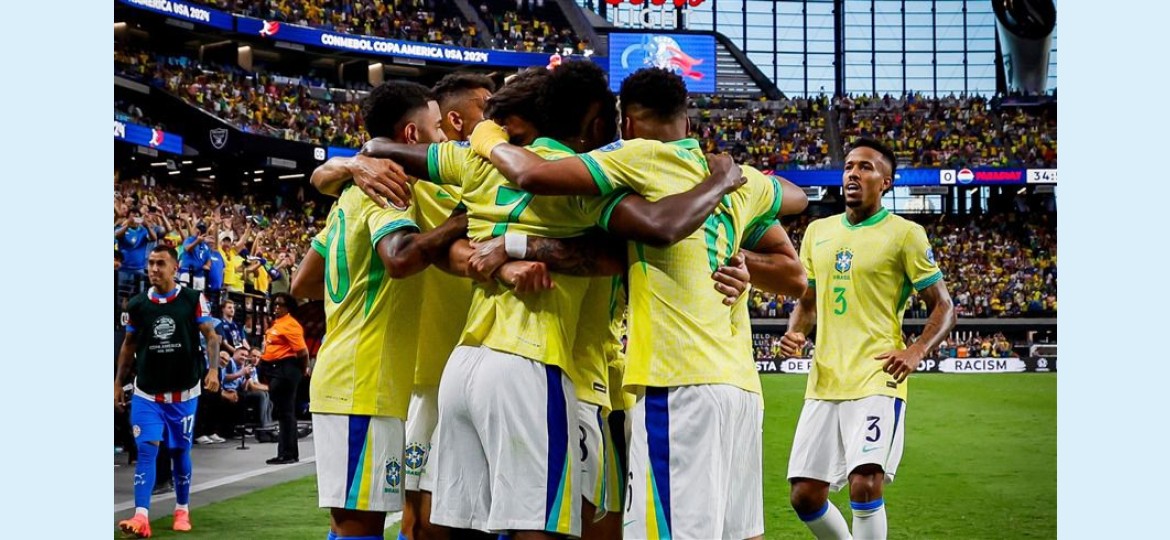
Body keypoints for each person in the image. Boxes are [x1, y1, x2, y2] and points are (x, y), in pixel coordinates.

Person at [358, 63, 754, 540]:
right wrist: (722, 207)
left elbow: (380, 147)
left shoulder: (475, 162)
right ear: (596, 124)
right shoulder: (583, 187)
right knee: (542, 528)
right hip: (534, 363)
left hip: (462, 368)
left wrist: (353, 163)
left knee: (461, 527)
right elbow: (649, 234)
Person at [467, 66, 808, 539]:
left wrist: (484, 133)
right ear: (687, 121)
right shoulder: (738, 178)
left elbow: (531, 173)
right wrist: (729, 240)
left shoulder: (636, 156)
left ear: (626, 124)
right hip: (740, 389)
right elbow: (797, 199)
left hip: (678, 380)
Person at [293, 80, 475, 540]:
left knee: (359, 523)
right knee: (358, 527)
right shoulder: (387, 191)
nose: (442, 137)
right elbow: (399, 258)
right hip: (361, 380)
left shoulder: (352, 192)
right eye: (437, 127)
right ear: (412, 135)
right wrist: (460, 221)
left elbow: (304, 281)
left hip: (366, 378)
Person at [779, 138, 957, 540]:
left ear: (886, 182)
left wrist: (917, 349)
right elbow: (808, 301)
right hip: (825, 379)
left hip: (878, 375)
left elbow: (944, 305)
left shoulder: (906, 234)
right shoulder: (817, 232)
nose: (853, 174)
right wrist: (795, 333)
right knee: (804, 495)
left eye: (866, 167)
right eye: (849, 166)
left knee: (865, 482)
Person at [115, 245, 221, 538]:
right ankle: (141, 516)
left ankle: (182, 509)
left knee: (179, 451)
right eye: (150, 263)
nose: (153, 269)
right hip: (147, 394)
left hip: (183, 395)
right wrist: (117, 382)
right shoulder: (137, 304)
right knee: (146, 450)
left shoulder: (192, 299)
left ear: (175, 268)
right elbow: (128, 345)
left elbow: (211, 336)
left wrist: (213, 370)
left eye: (160, 263)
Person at [259, 291, 309, 465]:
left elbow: (302, 352)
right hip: (276, 369)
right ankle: (288, 452)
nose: (277, 307)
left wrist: (302, 369)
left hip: (286, 368)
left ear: (289, 307)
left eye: (281, 305)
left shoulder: (290, 324)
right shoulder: (278, 323)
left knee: (286, 413)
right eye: (275, 304)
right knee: (283, 413)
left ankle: (287, 453)